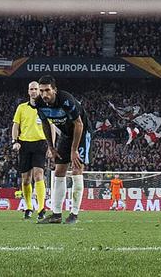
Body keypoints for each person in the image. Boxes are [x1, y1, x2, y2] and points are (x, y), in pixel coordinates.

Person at [34, 75, 91, 225]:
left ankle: (74, 214)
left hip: (81, 133)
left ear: (54, 90)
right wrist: (51, 147)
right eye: (41, 91)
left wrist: (74, 150)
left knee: (76, 169)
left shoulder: (66, 100)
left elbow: (79, 124)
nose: (44, 94)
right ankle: (56, 214)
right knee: (59, 171)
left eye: (47, 90)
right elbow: (45, 124)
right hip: (65, 135)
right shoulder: (39, 103)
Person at [10, 80, 48, 219]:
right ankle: (28, 207)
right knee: (26, 179)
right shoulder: (21, 108)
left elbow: (51, 127)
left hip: (40, 143)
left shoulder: (46, 108)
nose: (33, 91)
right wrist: (15, 141)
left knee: (38, 175)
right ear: (28, 91)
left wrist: (52, 146)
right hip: (25, 144)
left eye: (36, 89)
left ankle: (41, 208)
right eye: (31, 89)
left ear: (40, 91)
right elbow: (15, 125)